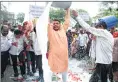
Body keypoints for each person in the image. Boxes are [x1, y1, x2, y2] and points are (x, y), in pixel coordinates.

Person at [72, 10, 114, 82]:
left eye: (96, 28)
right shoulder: (106, 35)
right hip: (105, 62)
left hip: (103, 63)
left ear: (101, 27)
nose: (95, 30)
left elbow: (88, 28)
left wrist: (77, 16)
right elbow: (97, 48)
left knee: (101, 80)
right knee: (95, 79)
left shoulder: (103, 32)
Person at [47, 8, 70, 82]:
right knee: (54, 74)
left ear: (60, 24)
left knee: (64, 73)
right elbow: (47, 22)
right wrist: (47, 9)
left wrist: (67, 10)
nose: (55, 25)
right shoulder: (51, 31)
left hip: (64, 57)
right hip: (54, 57)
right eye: (54, 23)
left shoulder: (63, 30)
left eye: (57, 23)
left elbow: (67, 21)